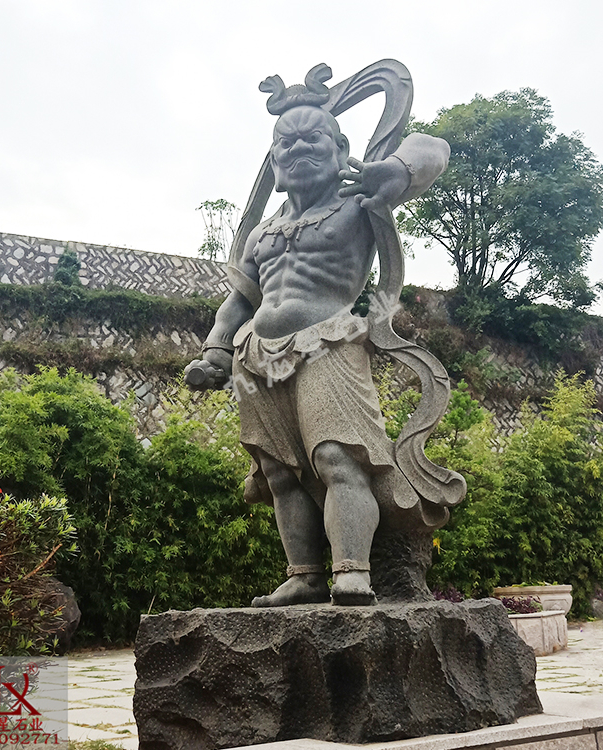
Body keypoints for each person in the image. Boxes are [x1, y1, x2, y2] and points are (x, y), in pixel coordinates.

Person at [186, 67, 453, 606]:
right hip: (256, 355)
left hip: (328, 343)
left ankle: (352, 570)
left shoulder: (357, 204)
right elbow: (240, 300)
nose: (298, 148)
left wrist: (395, 170)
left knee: (337, 457)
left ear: (341, 150)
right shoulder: (262, 232)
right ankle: (304, 574)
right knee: (279, 472)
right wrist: (215, 348)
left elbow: (435, 148)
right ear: (274, 162)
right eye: (286, 142)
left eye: (313, 137)